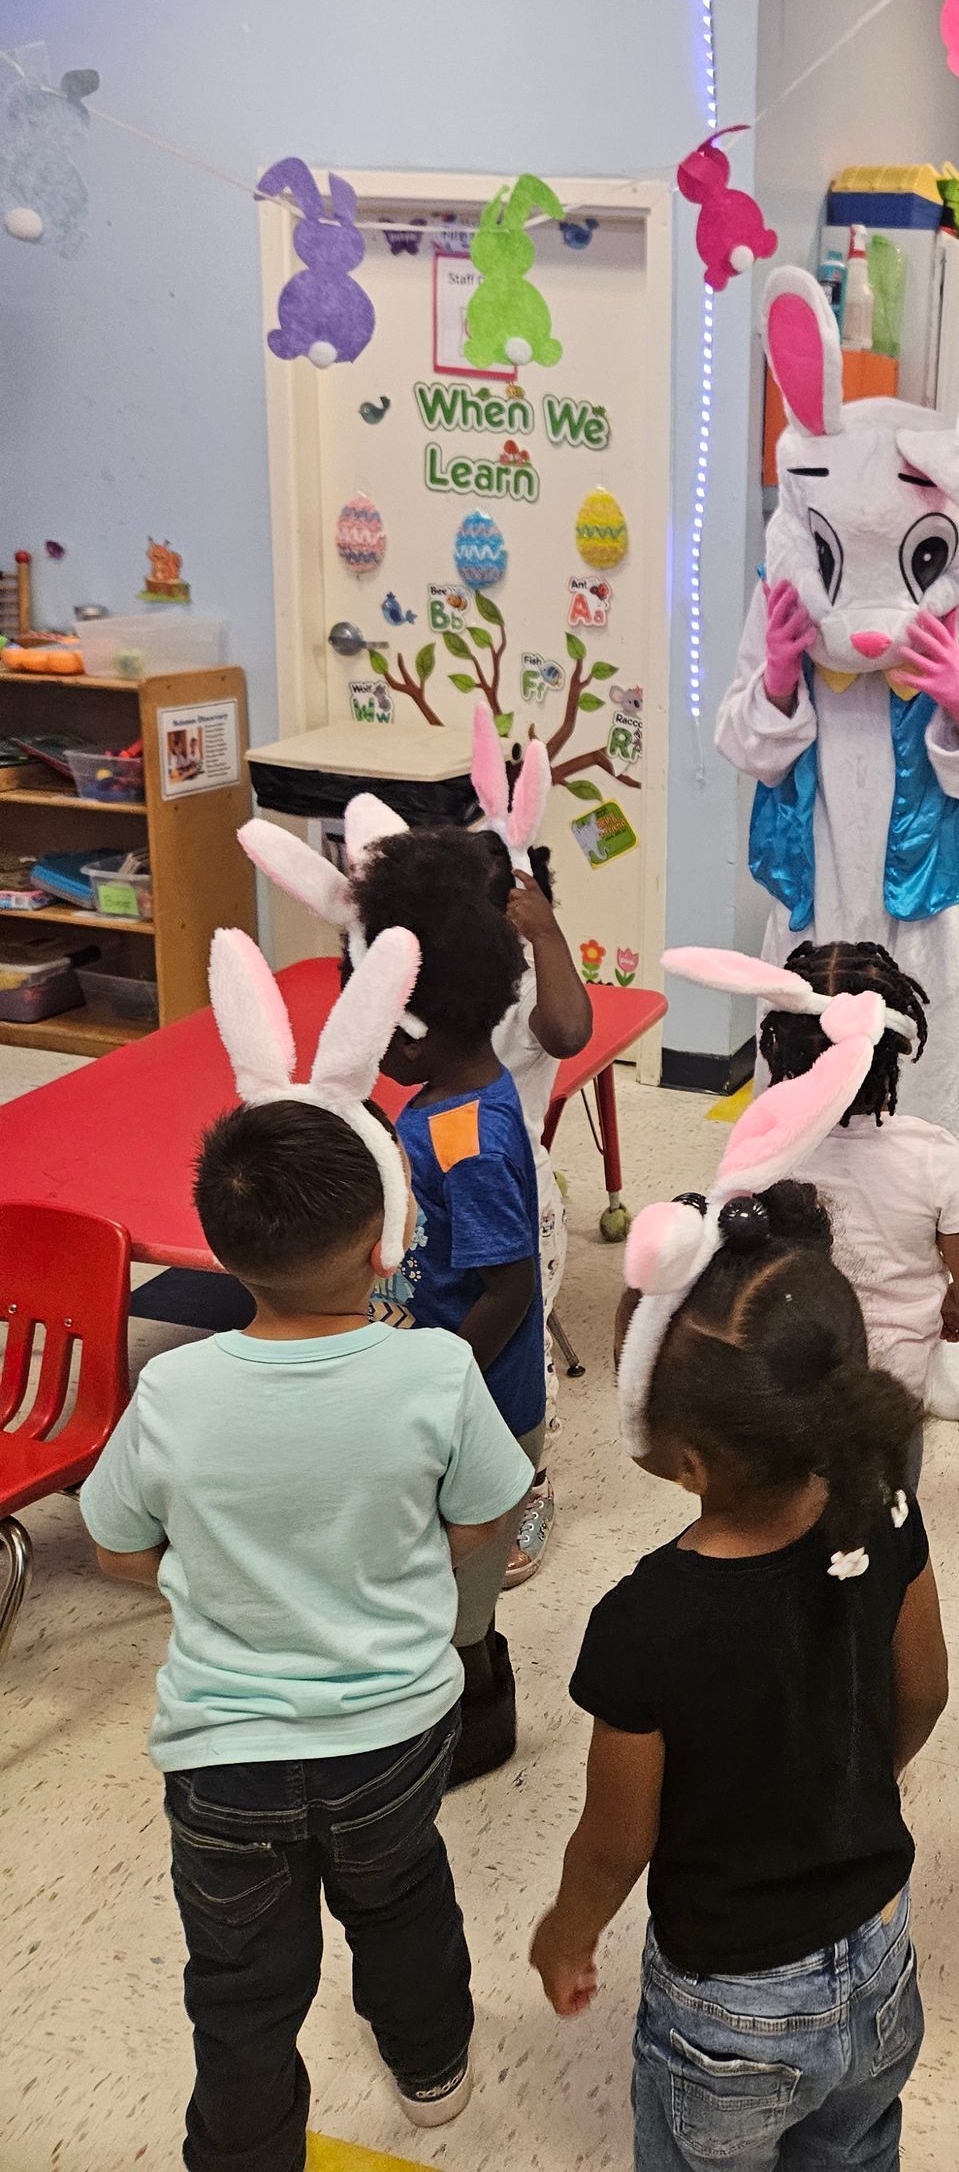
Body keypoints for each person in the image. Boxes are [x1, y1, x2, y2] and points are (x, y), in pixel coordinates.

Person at [80, 931, 534, 2171]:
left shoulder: (172, 1394)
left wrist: (195, 1575)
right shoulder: (435, 1370)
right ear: (390, 1245)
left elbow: (116, 1548)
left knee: (235, 1980)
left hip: (222, 1757)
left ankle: (242, 2148)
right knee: (404, 1908)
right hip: (391, 1735)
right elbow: (490, 1513)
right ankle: (434, 2072)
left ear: (220, 1253)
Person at [532, 1180, 949, 2172]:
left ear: (684, 1458)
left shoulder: (647, 1619)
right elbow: (925, 1690)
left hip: (732, 2006)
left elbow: (617, 1838)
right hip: (882, 1954)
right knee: (854, 2153)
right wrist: (856, 1777)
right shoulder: (885, 1504)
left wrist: (566, 1928)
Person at [716, 265, 959, 1184]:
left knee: (927, 1111)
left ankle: (926, 1291)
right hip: (814, 897)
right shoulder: (789, 593)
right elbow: (741, 741)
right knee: (803, 1100)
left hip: (931, 915)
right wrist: (780, 682)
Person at [354, 807, 592, 1587]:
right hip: (456, 1197)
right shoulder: (441, 1073)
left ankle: (526, 1485)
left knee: (520, 1362)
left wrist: (548, 935)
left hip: (508, 1186)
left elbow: (568, 1032)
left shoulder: (513, 996)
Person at [355, 878, 545, 1784]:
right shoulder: (446, 1101)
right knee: (445, 1589)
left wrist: (427, 1380)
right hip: (448, 1387)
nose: (375, 1034)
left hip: (474, 1408)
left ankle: (472, 1735)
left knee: (461, 1607)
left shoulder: (464, 1133)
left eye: (384, 1015)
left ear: (428, 1021)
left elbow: (507, 1288)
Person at [754, 941, 959, 1458]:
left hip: (789, 1374)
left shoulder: (764, 1148)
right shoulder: (932, 1155)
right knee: (889, 1500)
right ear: (891, 1052)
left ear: (778, 1050)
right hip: (892, 1387)